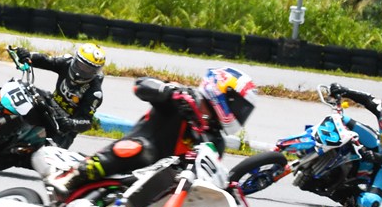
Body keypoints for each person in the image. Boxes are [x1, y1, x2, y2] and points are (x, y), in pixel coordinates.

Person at [45, 66, 258, 196]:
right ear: (223, 93)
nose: (240, 114)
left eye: (244, 111)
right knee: (137, 149)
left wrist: (223, 186)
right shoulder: (183, 98)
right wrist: (168, 91)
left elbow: (208, 174)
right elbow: (140, 85)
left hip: (164, 182)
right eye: (239, 107)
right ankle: (75, 175)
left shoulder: (216, 142)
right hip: (140, 154)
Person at [12, 43, 106, 149]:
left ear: (96, 71)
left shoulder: (95, 93)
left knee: (49, 152)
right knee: (25, 92)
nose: (82, 71)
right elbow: (47, 61)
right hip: (50, 106)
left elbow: (87, 121)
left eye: (88, 69)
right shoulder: (66, 62)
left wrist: (72, 123)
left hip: (63, 127)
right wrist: (28, 56)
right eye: (81, 65)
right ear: (76, 59)